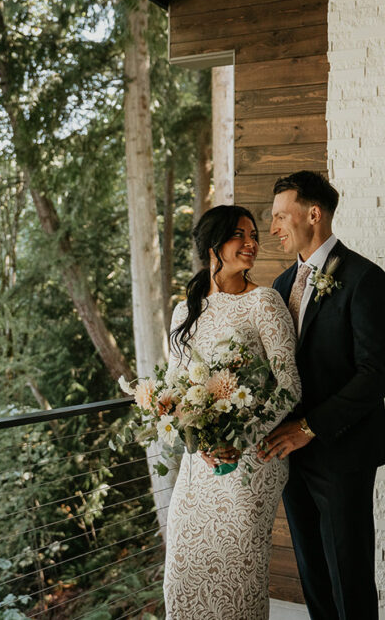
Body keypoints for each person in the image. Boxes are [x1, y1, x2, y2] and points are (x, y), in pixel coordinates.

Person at [259, 171, 385, 620]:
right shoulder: (281, 286)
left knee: (349, 578)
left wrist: (309, 427)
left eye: (282, 216)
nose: (275, 227)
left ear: (312, 214)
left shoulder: (365, 278)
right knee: (313, 577)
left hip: (342, 453)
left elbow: (377, 375)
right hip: (291, 456)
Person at [162, 205, 301, 619]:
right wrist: (197, 440)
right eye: (240, 235)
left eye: (254, 234)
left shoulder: (265, 302)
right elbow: (172, 391)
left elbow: (289, 386)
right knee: (183, 573)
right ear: (213, 246)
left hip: (250, 465)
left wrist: (237, 439)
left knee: (238, 580)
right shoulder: (185, 311)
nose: (252, 243)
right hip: (198, 466)